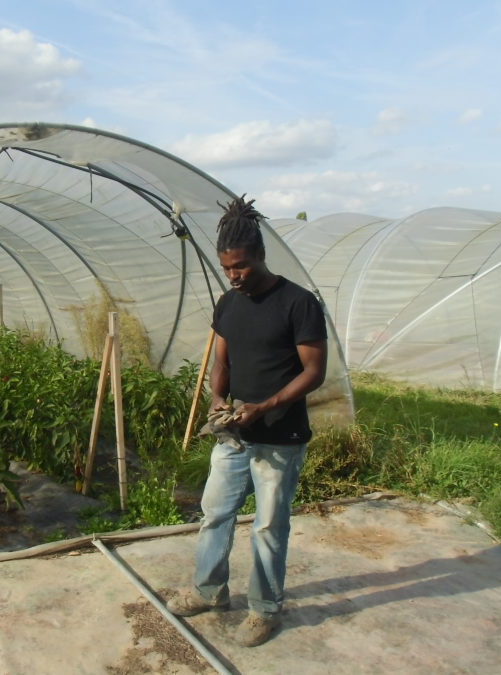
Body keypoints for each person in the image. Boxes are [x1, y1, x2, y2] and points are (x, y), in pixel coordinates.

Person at [167, 195, 328, 647]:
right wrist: (220, 398)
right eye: (227, 269)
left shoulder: (298, 304)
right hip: (235, 434)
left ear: (260, 256)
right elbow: (223, 360)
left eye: (241, 266)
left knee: (268, 525)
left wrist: (267, 405)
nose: (234, 276)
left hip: (280, 436)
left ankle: (264, 609)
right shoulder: (229, 303)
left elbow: (314, 372)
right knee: (215, 514)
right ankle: (209, 591)